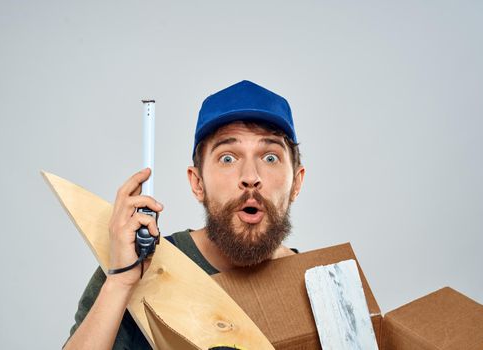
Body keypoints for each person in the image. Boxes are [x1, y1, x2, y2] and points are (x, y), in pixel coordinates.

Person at [63, 80, 306, 349]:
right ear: (197, 183)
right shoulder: (133, 265)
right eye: (228, 158)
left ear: (296, 182)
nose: (250, 177)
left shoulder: (320, 288)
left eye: (270, 157)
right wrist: (121, 282)